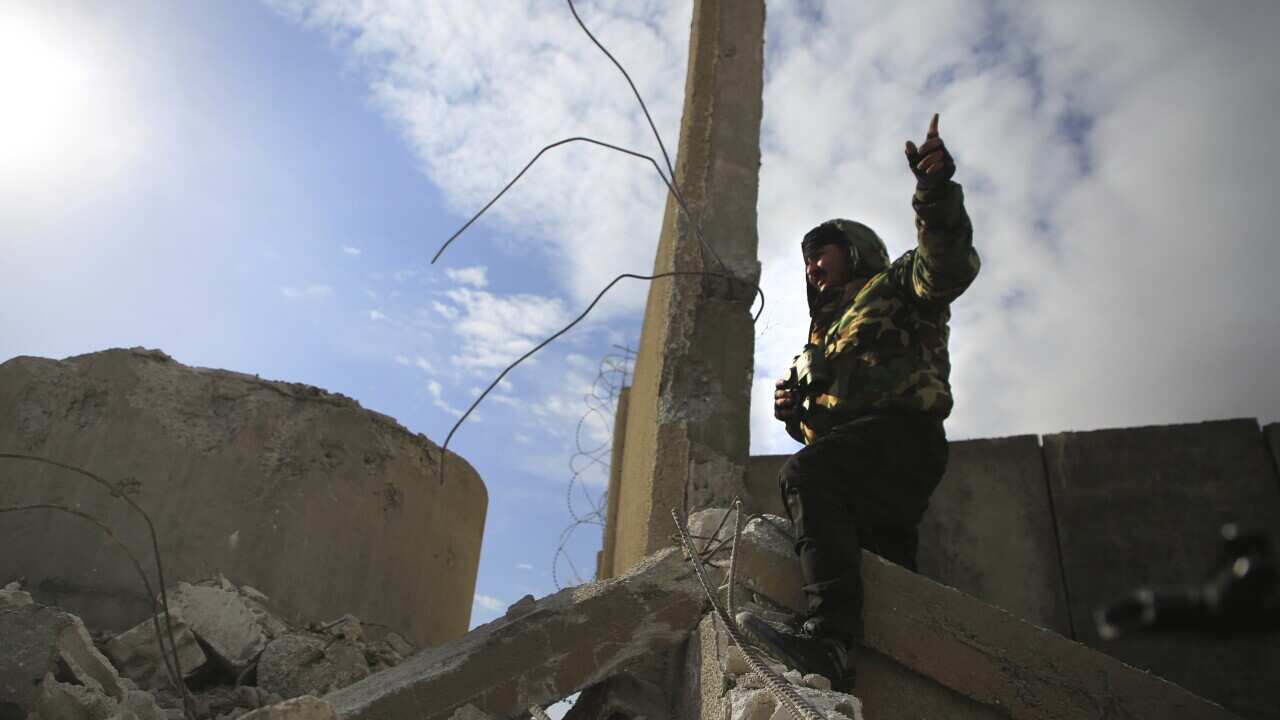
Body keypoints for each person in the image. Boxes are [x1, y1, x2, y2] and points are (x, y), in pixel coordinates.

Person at [737, 114, 980, 688]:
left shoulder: (894, 286)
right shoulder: (819, 339)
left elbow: (946, 266)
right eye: (806, 261)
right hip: (867, 455)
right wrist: (797, 415)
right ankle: (868, 678)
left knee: (806, 476)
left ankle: (826, 639)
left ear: (854, 250)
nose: (812, 266)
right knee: (887, 577)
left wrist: (935, 191)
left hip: (901, 436)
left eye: (824, 252)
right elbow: (828, 425)